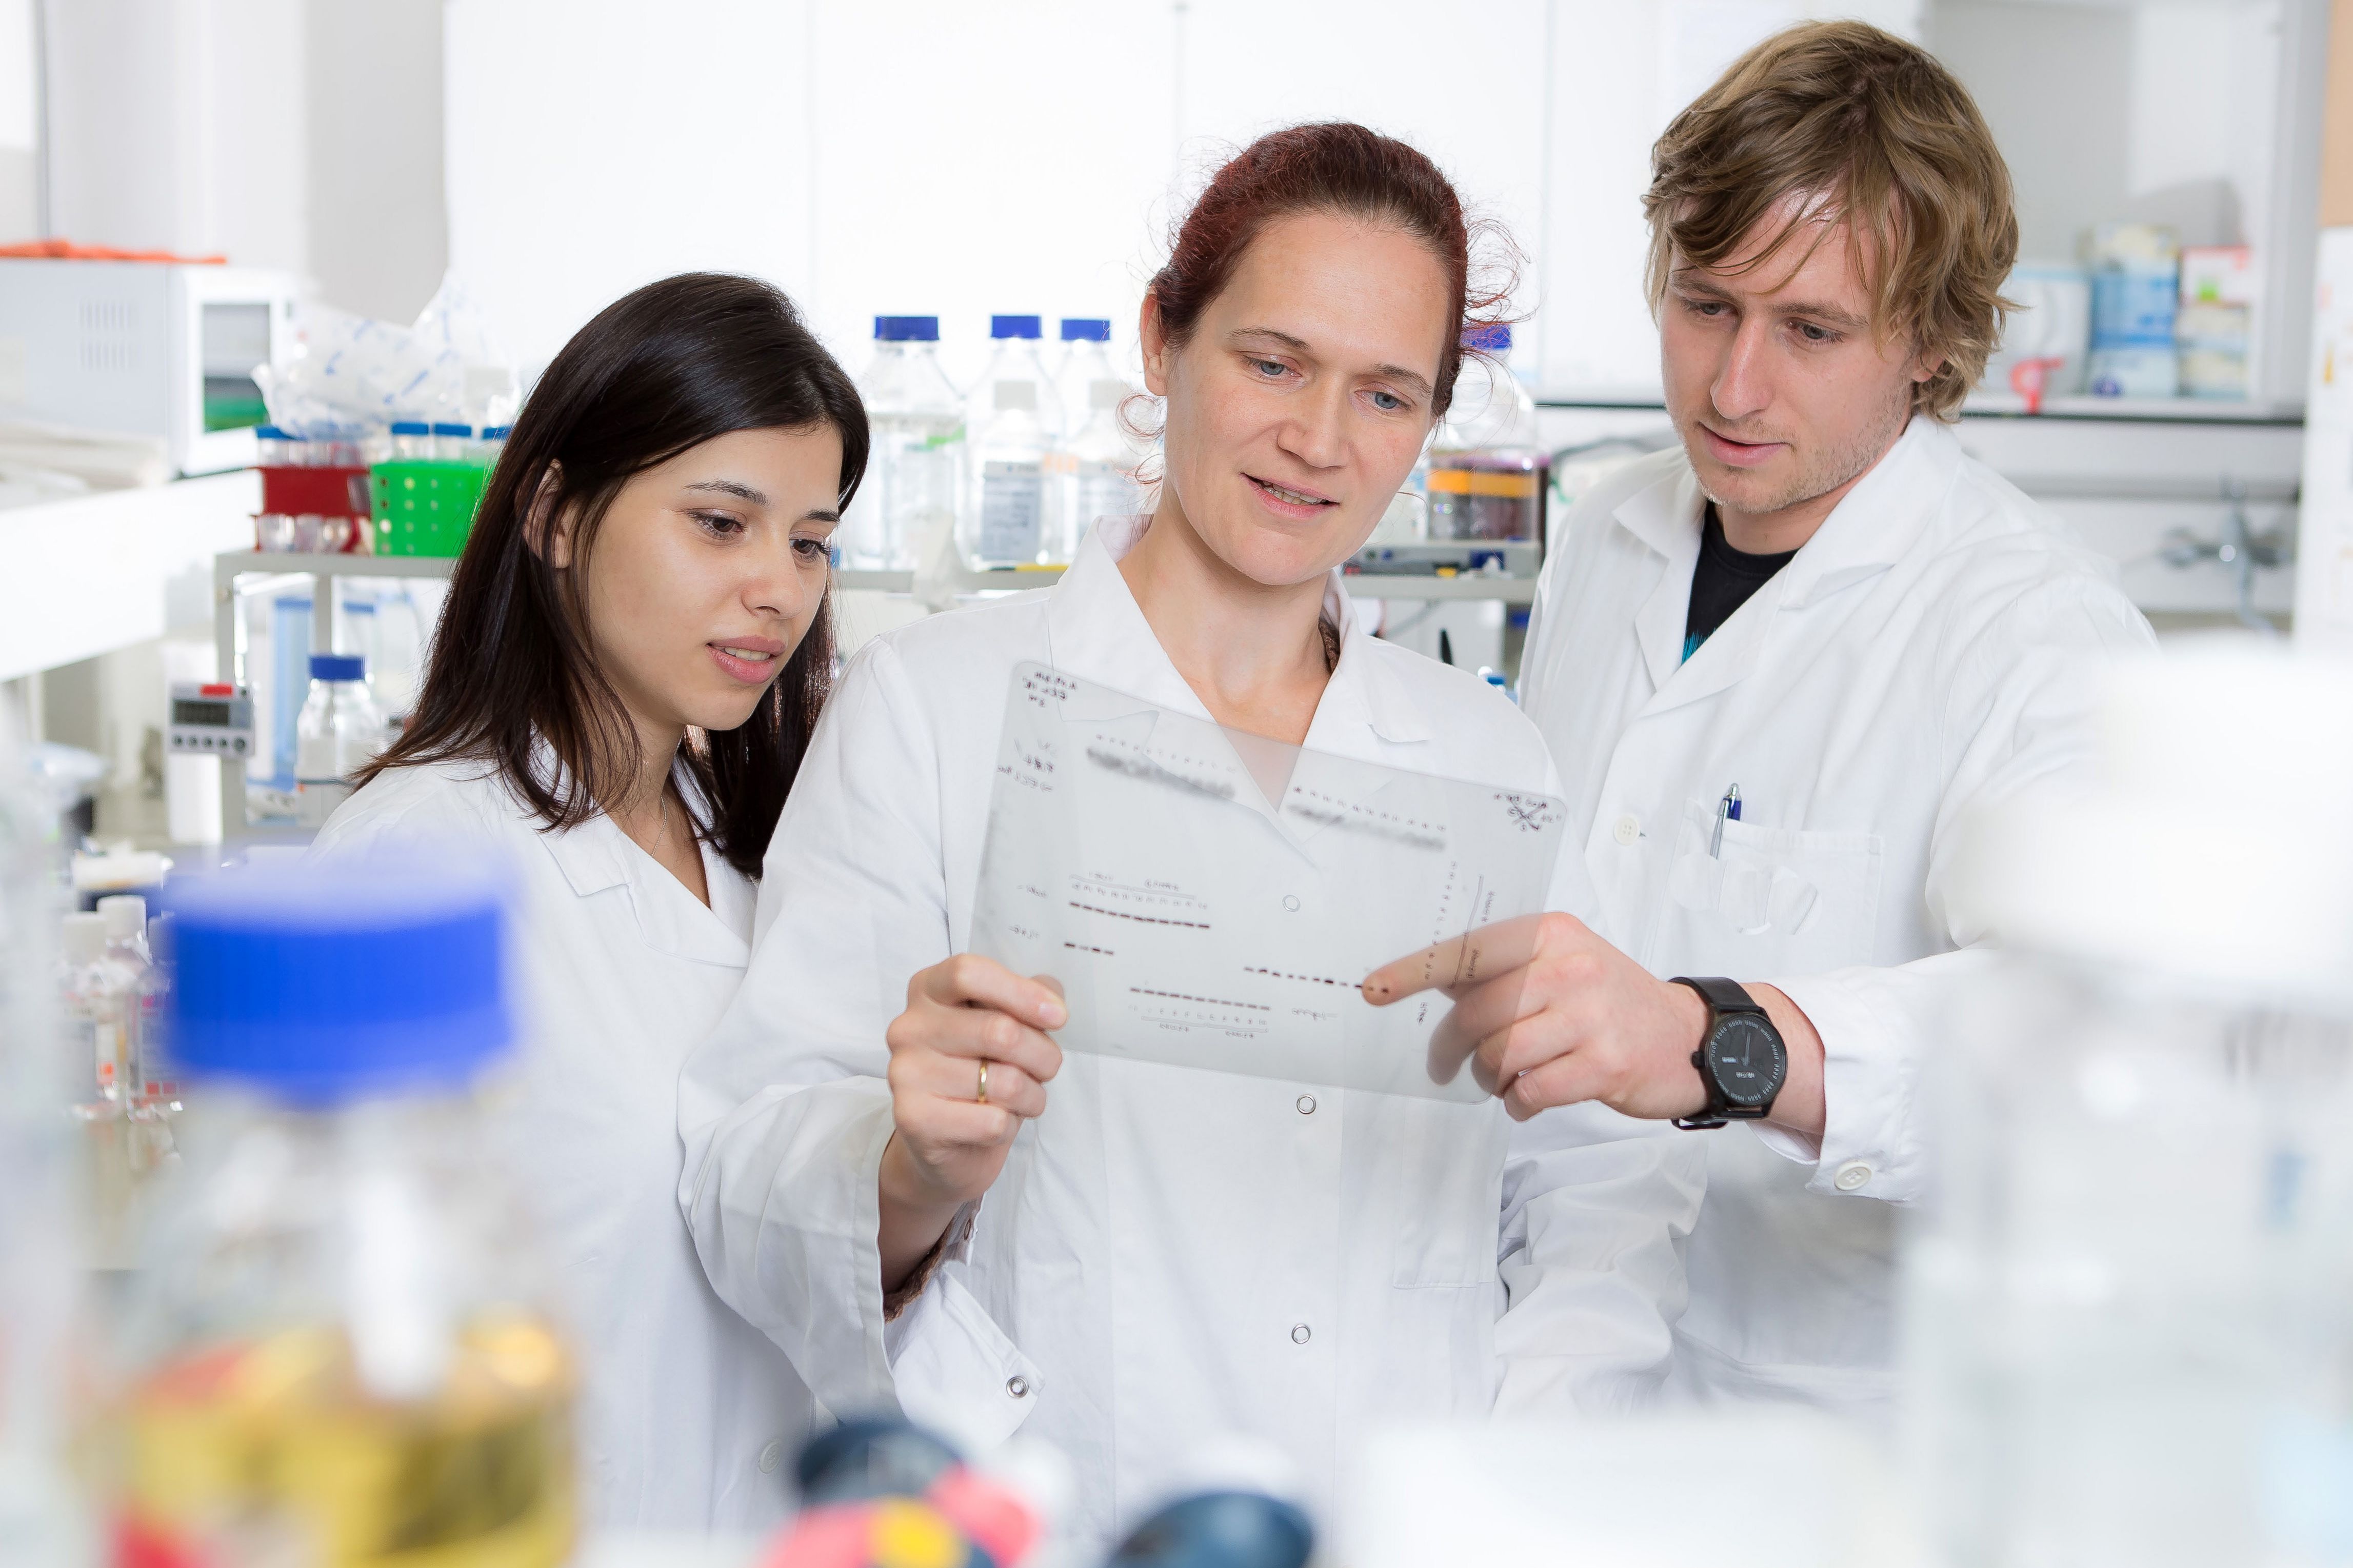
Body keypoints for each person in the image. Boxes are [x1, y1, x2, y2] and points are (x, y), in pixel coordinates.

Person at [679, 123, 1705, 1550]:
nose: (1319, 440)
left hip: (1405, 1524)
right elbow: (743, 1173)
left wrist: (1508, 1471)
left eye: (1385, 393)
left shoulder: (1481, 757)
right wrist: (907, 1172)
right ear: (1162, 339)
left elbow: (1597, 1189)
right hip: (1062, 1510)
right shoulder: (937, 707)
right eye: (1272, 362)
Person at [1367, 22, 2156, 1415]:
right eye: (1705, 304)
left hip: (1827, 1428)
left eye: (1809, 330)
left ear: (1930, 341)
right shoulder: (1609, 533)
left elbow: (2078, 1045)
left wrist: (1715, 1039)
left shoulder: (2035, 631)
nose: (1731, 388)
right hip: (1549, 1353)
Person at [310, 272, 868, 1529]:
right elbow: (336, 1339)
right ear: (556, 514)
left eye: (808, 540)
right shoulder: (415, 863)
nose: (778, 588)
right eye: (719, 523)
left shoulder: (757, 847)